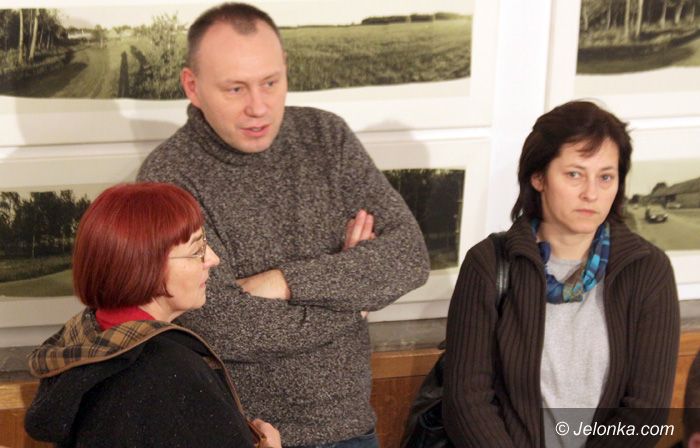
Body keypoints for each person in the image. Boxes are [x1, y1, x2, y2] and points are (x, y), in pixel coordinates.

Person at [137, 3, 430, 447]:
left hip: (353, 426)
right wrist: (352, 299)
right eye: (235, 88)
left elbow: (408, 256)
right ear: (192, 86)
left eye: (271, 83)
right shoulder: (168, 178)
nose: (258, 107)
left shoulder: (326, 136)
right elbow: (222, 326)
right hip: (245, 435)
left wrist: (283, 282)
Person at [443, 100, 680, 447]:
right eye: (574, 174)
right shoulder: (490, 263)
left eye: (606, 177)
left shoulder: (647, 269)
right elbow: (467, 401)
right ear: (538, 177)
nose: (591, 193)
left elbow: (647, 410)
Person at [24, 183, 282, 448]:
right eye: (197, 250)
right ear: (146, 268)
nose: (213, 259)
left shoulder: (88, 337)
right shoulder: (168, 370)